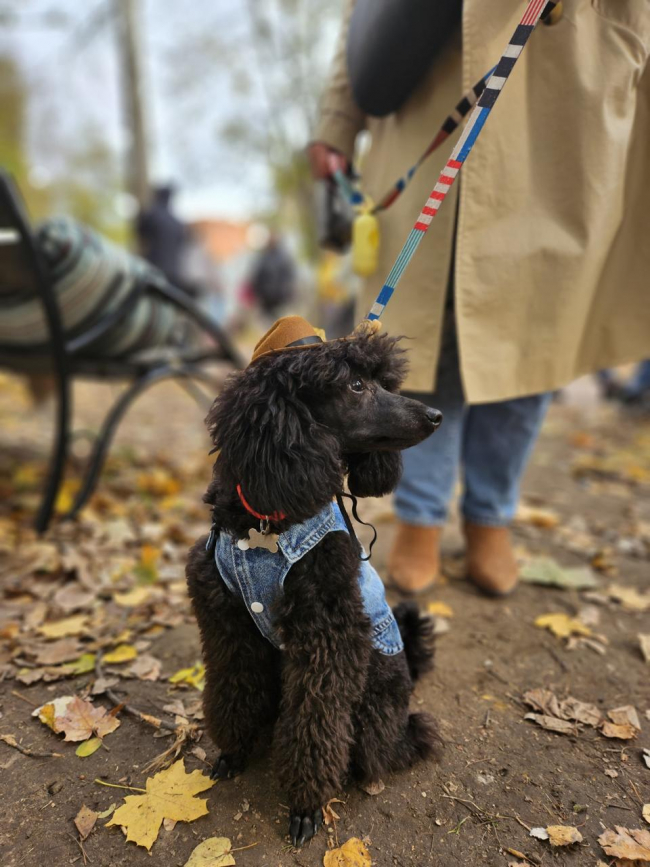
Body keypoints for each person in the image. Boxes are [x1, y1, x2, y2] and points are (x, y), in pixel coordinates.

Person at [309, 0, 650, 596]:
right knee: (422, 330)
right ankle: (421, 515)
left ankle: (491, 516)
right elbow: (362, 13)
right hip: (431, 91)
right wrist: (336, 120)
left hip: (569, 107)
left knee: (538, 334)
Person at [136, 184, 188, 288]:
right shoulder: (177, 223)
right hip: (173, 271)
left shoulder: (152, 215)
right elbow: (182, 245)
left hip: (152, 268)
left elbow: (141, 233)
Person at [249, 232, 296, 323]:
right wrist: (258, 294)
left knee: (282, 323)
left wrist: (287, 292)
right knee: (268, 325)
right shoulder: (263, 257)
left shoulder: (284, 257)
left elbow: (289, 276)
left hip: (281, 299)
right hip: (266, 300)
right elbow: (256, 277)